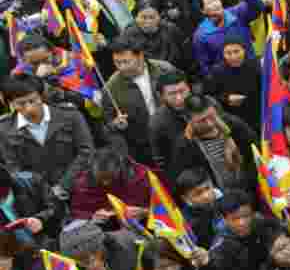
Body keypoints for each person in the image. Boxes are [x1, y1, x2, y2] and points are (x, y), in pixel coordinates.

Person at [0, 74, 94, 202]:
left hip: (79, 186)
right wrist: (44, 191)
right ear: (10, 103)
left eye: (32, 100)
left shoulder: (70, 116)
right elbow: (14, 167)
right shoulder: (4, 128)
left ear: (41, 96)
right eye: (20, 104)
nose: (29, 108)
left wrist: (63, 185)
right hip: (40, 196)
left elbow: (86, 152)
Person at [102, 34, 178, 165]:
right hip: (145, 148)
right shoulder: (110, 88)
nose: (121, 67)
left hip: (176, 134)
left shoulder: (165, 70)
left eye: (126, 62)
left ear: (140, 56)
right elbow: (107, 126)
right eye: (117, 63)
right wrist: (115, 124)